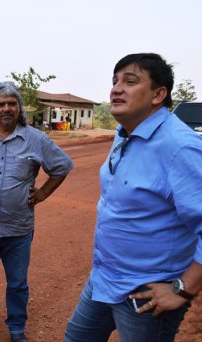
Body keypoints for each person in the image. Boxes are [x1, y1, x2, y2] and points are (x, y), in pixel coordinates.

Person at [65, 53, 202, 342]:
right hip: (104, 277)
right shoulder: (125, 133)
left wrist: (183, 288)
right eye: (114, 81)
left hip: (146, 291)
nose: (116, 88)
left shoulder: (181, 147)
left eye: (130, 81)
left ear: (158, 94)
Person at [0, 81, 74, 342]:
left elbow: (62, 166)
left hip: (18, 228)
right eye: (1, 104)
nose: (6, 108)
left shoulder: (37, 139)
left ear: (19, 108)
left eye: (12, 103)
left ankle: (16, 328)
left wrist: (42, 193)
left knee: (18, 283)